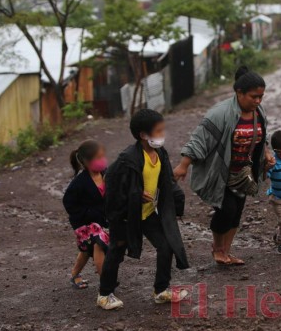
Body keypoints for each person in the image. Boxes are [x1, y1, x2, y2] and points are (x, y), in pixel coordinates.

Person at [174, 66, 276, 266]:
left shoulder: (259, 112)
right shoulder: (220, 113)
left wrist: (266, 153)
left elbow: (262, 136)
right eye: (254, 96)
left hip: (244, 172)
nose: (258, 101)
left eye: (261, 97)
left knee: (237, 211)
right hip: (222, 172)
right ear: (239, 93)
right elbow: (199, 139)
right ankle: (217, 248)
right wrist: (183, 165)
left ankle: (226, 252)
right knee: (226, 209)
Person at [97, 109, 189, 310]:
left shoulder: (160, 154)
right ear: (143, 135)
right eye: (158, 131)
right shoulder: (127, 159)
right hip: (126, 216)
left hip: (147, 213)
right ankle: (104, 294)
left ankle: (161, 290)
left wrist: (177, 202)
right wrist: (134, 195)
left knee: (166, 245)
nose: (162, 135)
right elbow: (110, 181)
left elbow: (166, 182)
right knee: (116, 251)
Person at [63, 140, 110, 289]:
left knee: (86, 250)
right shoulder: (79, 183)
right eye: (98, 157)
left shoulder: (105, 174)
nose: (103, 160)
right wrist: (87, 214)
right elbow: (68, 202)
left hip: (101, 220)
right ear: (87, 161)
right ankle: (106, 282)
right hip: (84, 223)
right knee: (99, 244)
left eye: (103, 156)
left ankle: (74, 274)